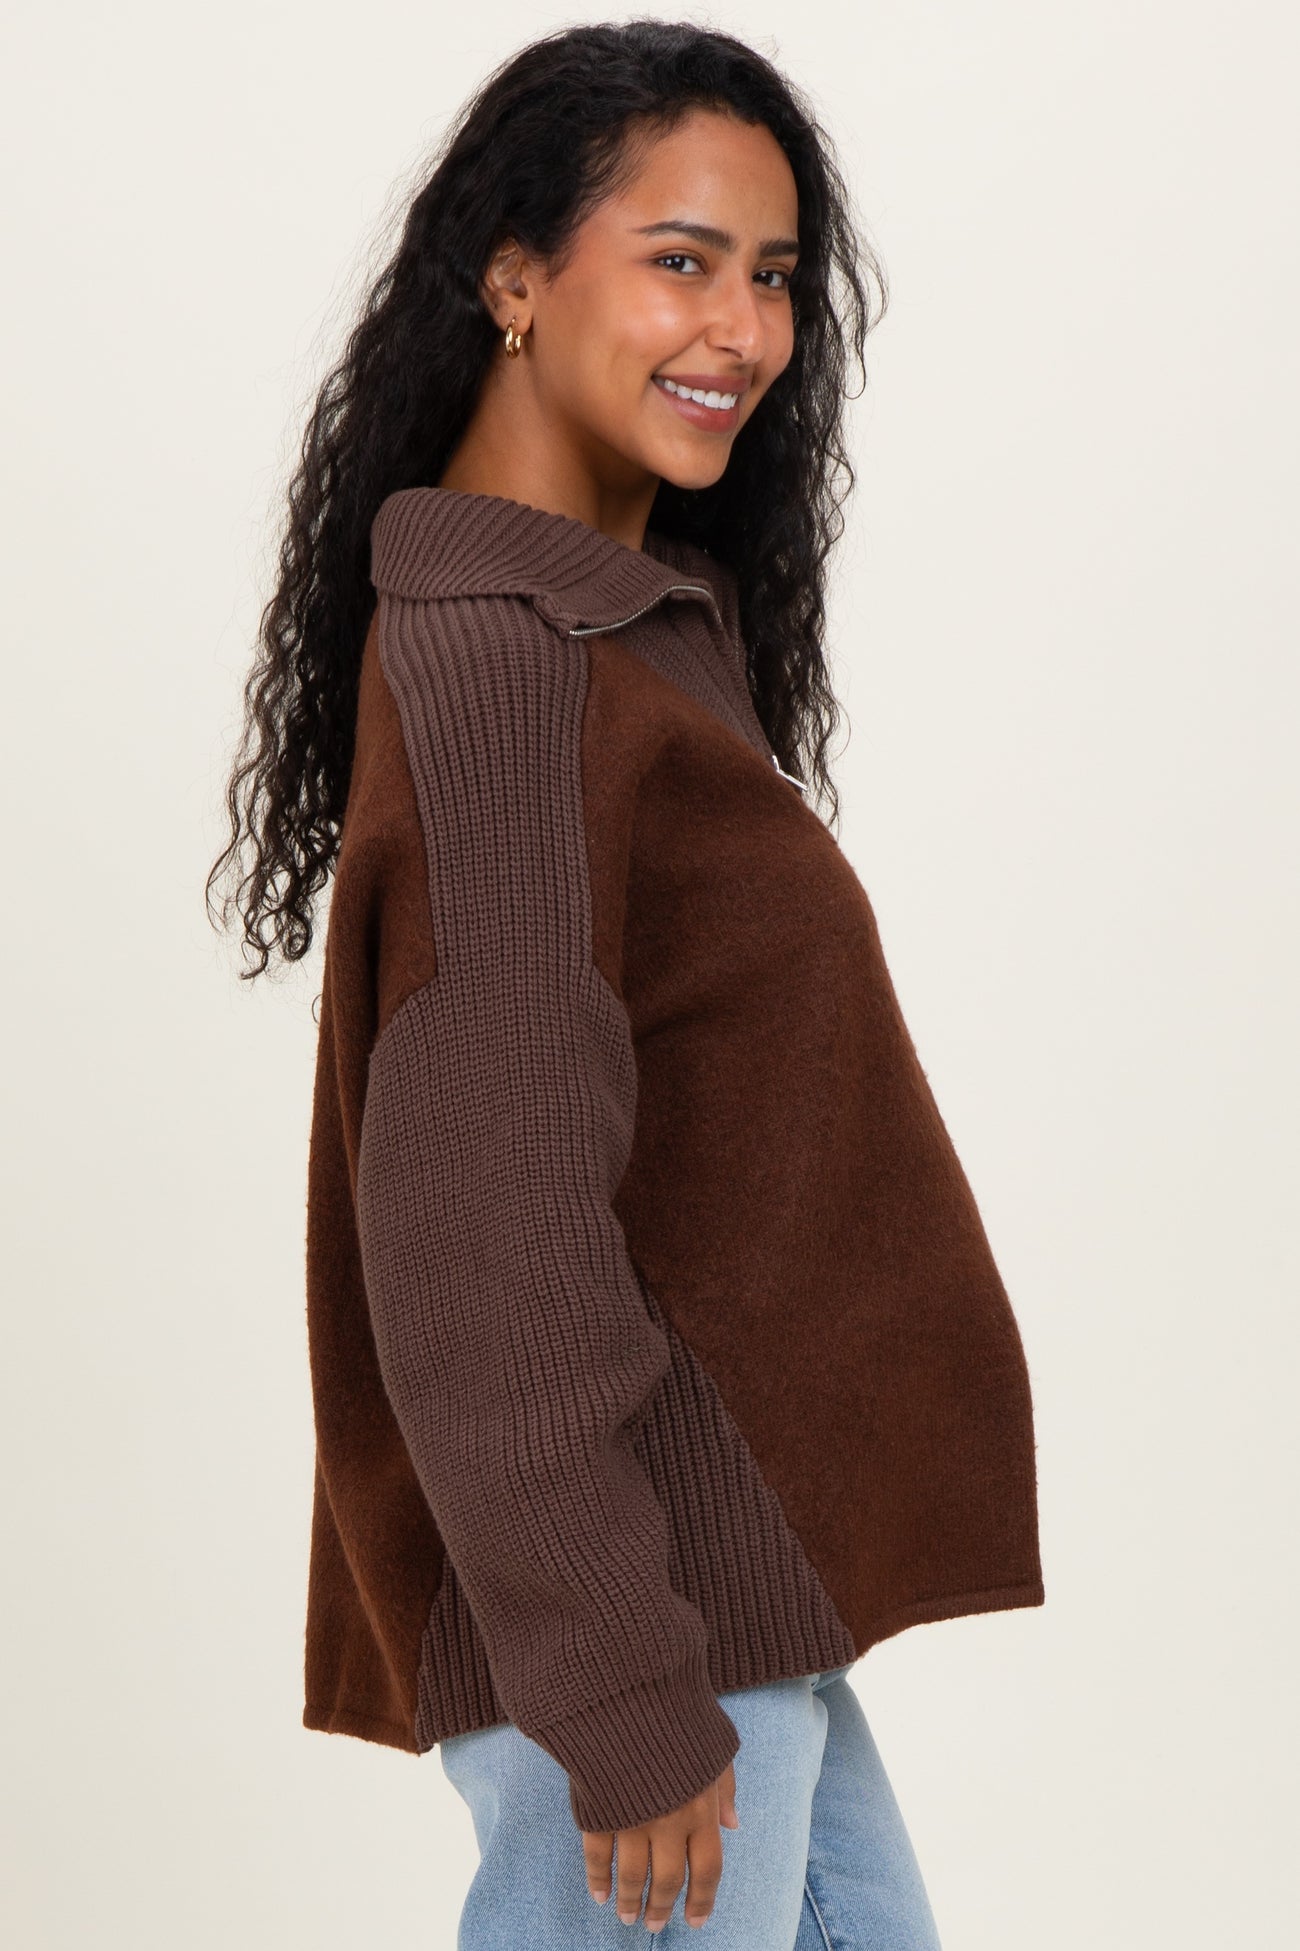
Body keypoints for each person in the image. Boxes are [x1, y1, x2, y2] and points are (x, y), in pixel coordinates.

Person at [208, 20, 1045, 1949]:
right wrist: (613, 1683)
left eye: (775, 275)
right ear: (512, 275)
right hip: (642, 1628)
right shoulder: (512, 669)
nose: (742, 330)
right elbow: (483, 1228)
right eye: (682, 260)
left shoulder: (623, 635)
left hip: (724, 1600)